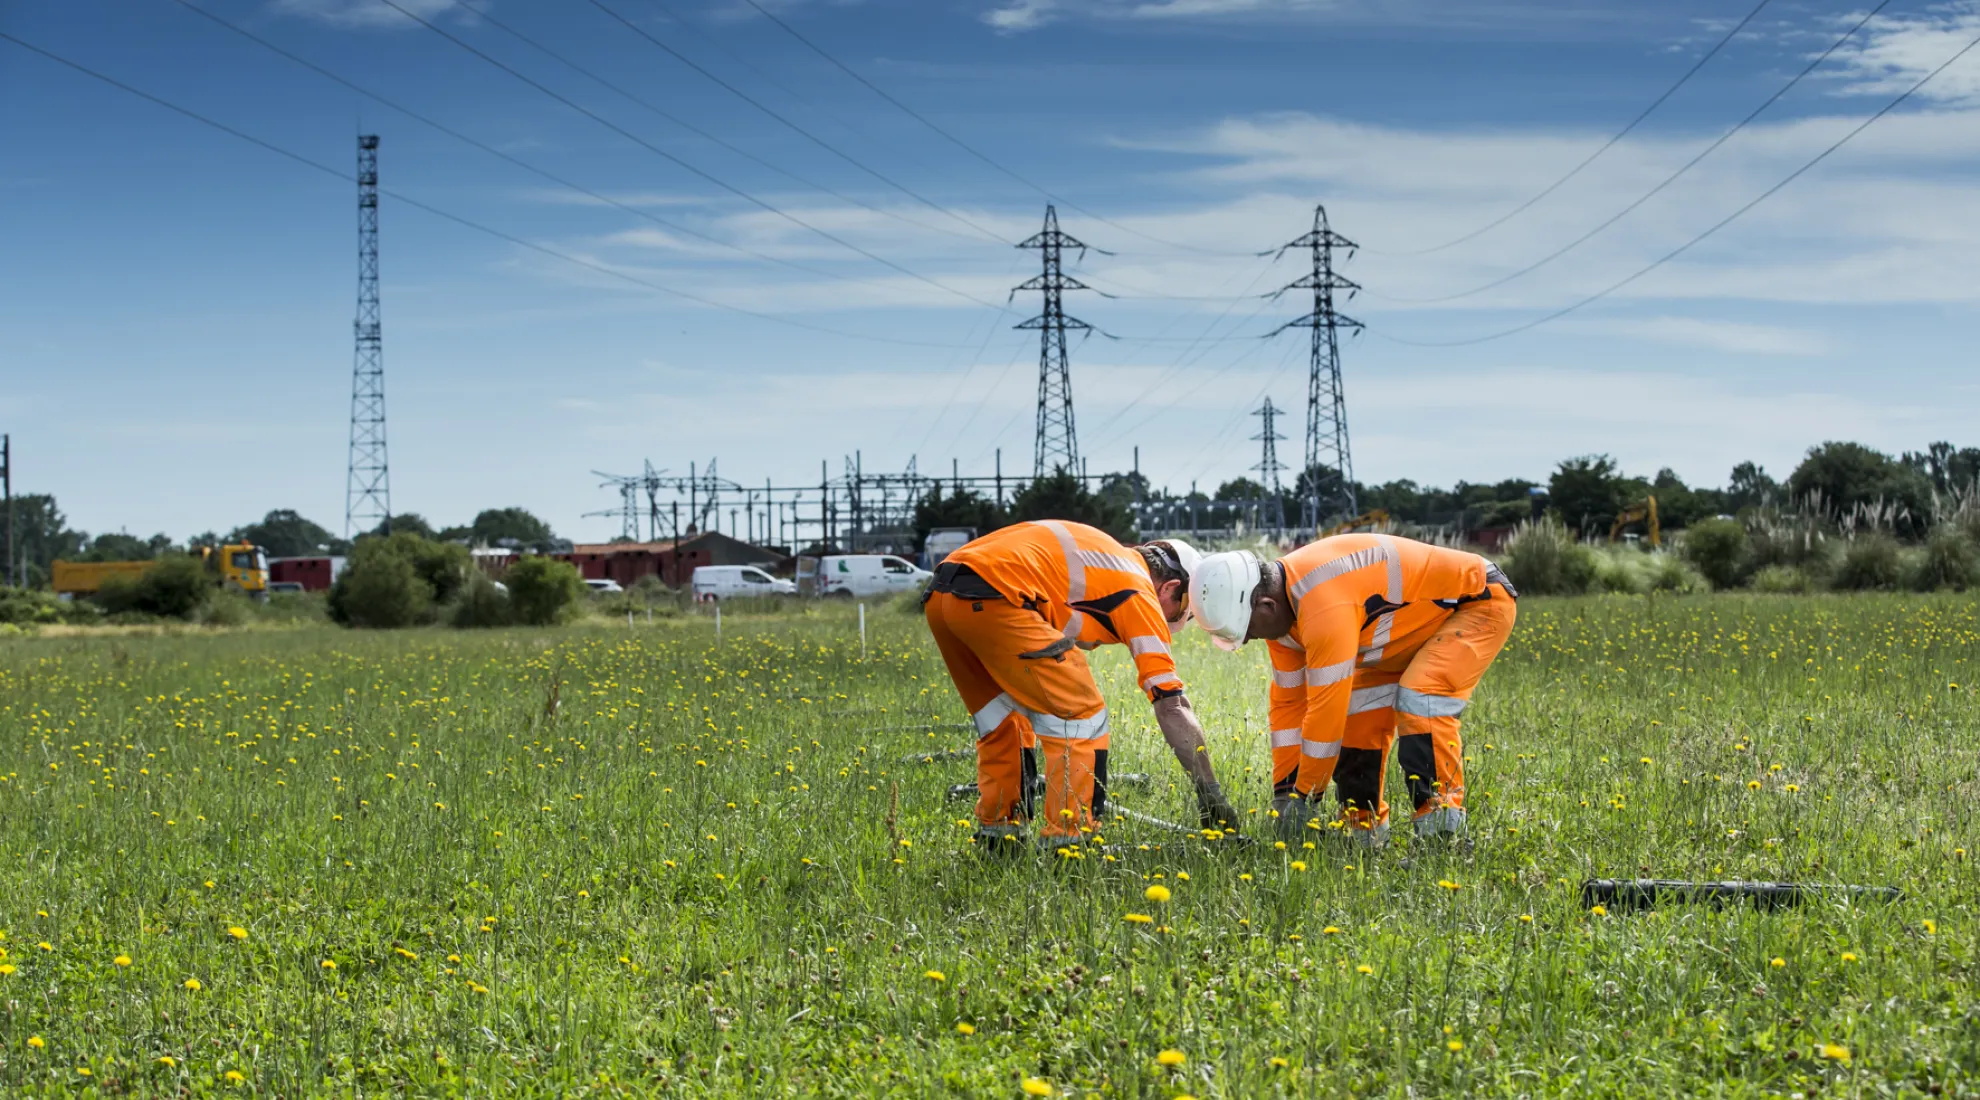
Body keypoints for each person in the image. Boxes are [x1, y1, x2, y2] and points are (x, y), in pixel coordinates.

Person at [923, 522, 1240, 850]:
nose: (1168, 626)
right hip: (999, 595)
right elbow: (1171, 704)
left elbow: (1080, 632)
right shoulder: (1139, 588)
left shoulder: (1106, 559)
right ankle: (1070, 842)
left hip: (944, 597)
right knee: (1083, 718)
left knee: (1005, 721)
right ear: (1169, 588)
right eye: (1177, 617)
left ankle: (999, 839)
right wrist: (1210, 792)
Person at [1188, 533, 1517, 845]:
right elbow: (1289, 708)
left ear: (1266, 606)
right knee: (1359, 722)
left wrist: (1308, 797)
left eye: (1246, 631)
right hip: (1402, 631)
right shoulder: (1283, 619)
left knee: (1421, 697)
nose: (1246, 640)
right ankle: (1365, 838)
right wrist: (1285, 792)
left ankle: (1444, 836)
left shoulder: (1322, 603)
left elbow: (1325, 715)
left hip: (1475, 602)